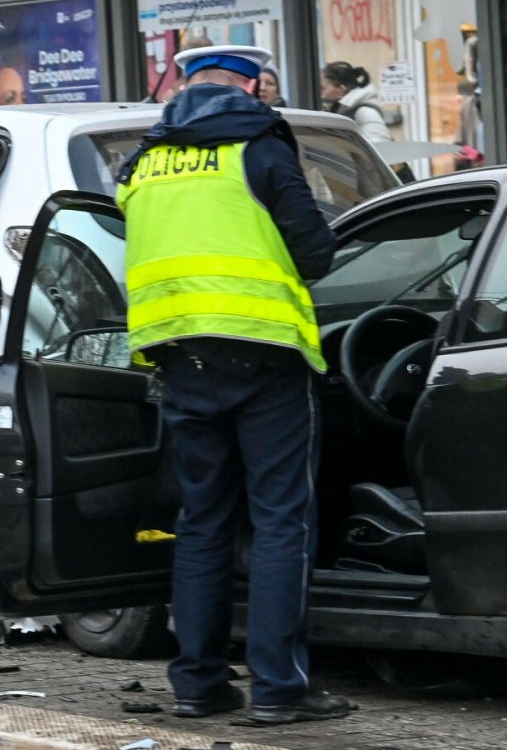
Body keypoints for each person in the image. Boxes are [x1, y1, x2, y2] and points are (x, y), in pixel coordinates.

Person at [114, 44, 349, 726]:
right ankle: (278, 689)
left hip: (178, 355)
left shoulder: (142, 163)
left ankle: (197, 684)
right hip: (264, 353)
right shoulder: (259, 147)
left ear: (184, 88)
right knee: (279, 521)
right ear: (250, 88)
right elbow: (316, 252)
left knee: (202, 521)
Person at [319, 62, 389, 143]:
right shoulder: (335, 108)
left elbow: (379, 143)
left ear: (341, 89)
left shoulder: (365, 112)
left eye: (322, 88)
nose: (319, 92)